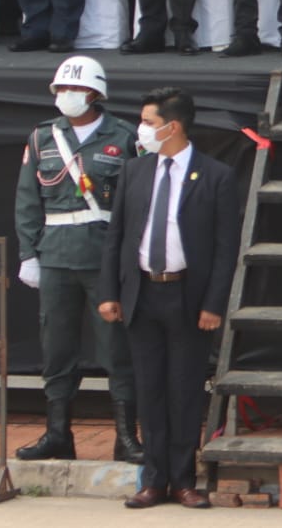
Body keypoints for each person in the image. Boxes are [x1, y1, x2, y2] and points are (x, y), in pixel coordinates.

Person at [98, 87, 237, 509]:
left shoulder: (215, 176)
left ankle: (183, 480)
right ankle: (153, 481)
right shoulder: (135, 172)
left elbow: (224, 248)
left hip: (187, 298)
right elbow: (116, 237)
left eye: (150, 122)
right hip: (142, 293)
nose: (143, 130)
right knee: (150, 390)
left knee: (185, 389)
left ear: (172, 126)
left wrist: (214, 304)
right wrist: (109, 292)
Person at [14, 56, 142, 465]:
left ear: (94, 93)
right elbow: (27, 201)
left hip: (104, 256)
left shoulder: (124, 137)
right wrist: (28, 254)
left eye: (73, 89)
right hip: (55, 256)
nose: (65, 96)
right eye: (60, 90)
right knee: (57, 348)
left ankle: (126, 437)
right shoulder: (41, 137)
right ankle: (57, 434)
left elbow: (138, 202)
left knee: (116, 349)